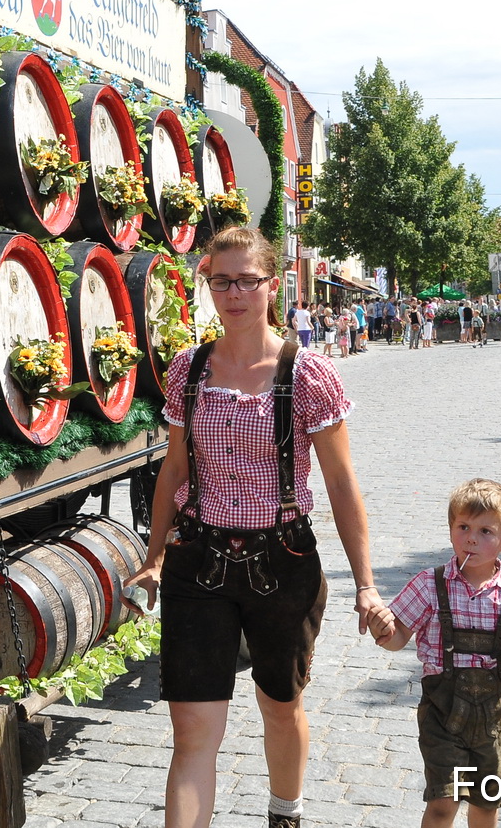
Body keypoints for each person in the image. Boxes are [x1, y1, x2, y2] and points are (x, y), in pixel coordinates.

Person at [123, 225, 386, 828]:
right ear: (208, 285)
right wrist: (155, 556)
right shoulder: (188, 370)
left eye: (247, 281)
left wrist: (365, 583)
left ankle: (284, 813)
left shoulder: (308, 374)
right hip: (200, 559)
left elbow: (343, 487)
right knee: (192, 731)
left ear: (273, 284)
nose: (234, 293)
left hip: (283, 562)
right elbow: (173, 473)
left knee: (279, 702)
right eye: (221, 281)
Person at [371, 479, 501, 828]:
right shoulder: (429, 584)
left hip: (494, 721)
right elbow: (398, 636)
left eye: (485, 531)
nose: (471, 538)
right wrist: (383, 629)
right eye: (463, 527)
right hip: (442, 717)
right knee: (442, 803)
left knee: (484, 808)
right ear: (451, 530)